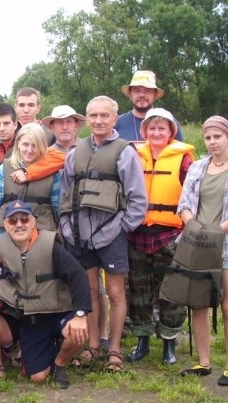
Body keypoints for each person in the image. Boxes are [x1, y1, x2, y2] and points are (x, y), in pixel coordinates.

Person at [60, 96, 148, 372]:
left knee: (115, 292)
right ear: (87, 118)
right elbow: (65, 195)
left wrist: (121, 228)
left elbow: (137, 200)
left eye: (104, 116)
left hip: (111, 235)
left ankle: (115, 349)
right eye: (93, 115)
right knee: (89, 291)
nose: (98, 121)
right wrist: (66, 227)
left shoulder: (125, 152)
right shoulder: (75, 152)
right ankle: (93, 345)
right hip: (80, 235)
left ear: (114, 118)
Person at [0, 200, 91, 388]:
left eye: (24, 219)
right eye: (13, 221)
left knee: (77, 333)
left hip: (59, 312)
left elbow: (78, 276)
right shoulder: (0, 249)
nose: (19, 225)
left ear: (34, 222)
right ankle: (45, 350)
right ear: (5, 225)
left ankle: (60, 363)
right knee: (37, 377)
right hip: (31, 321)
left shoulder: (51, 246)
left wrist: (80, 314)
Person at [126, 109, 195, 365]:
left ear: (171, 132)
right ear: (144, 132)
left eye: (162, 129)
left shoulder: (184, 159)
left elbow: (191, 195)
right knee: (138, 290)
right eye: (151, 129)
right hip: (137, 234)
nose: (156, 133)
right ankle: (142, 340)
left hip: (170, 235)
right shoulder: (133, 155)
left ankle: (169, 343)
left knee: (171, 292)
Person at [176, 116, 228, 383]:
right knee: (198, 304)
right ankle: (204, 362)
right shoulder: (197, 167)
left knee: (227, 305)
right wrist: (193, 226)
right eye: (208, 137)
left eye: (217, 136)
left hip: (225, 242)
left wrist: (219, 230)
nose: (212, 142)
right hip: (197, 242)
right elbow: (183, 203)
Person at [0, 123, 64, 246]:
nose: (29, 150)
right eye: (25, 144)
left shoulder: (53, 174)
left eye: (35, 145)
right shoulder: (3, 170)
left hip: (42, 235)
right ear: (18, 143)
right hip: (8, 235)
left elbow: (57, 208)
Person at [115, 70, 184, 143]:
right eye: (136, 91)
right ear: (130, 95)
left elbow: (181, 152)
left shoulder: (169, 121)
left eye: (147, 91)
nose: (142, 95)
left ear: (155, 95)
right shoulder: (117, 123)